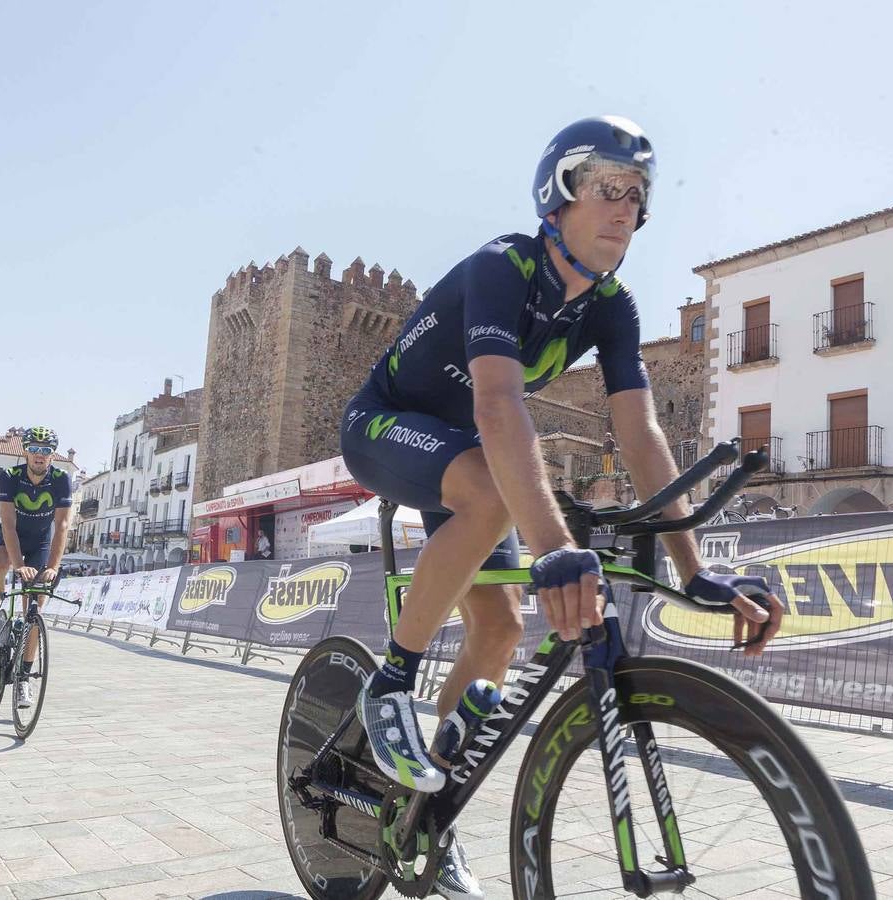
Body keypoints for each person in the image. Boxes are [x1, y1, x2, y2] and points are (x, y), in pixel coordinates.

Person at [338, 116, 782, 900]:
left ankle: (425, 816)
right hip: (387, 426)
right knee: (490, 488)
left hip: (470, 458)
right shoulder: (503, 267)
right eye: (608, 188)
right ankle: (391, 681)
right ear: (560, 191)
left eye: (638, 195)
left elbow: (639, 434)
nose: (625, 209)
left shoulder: (612, 306)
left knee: (502, 629)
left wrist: (694, 570)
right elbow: (499, 405)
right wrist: (552, 548)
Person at [0, 426, 72, 708]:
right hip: (12, 536)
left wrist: (52, 567)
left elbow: (62, 526)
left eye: (45, 450)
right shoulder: (10, 476)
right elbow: (7, 524)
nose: (39, 455)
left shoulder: (61, 480)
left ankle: (23, 677)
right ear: (25, 451)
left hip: (41, 541)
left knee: (34, 609)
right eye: (34, 449)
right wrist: (19, 565)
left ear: (52, 455)